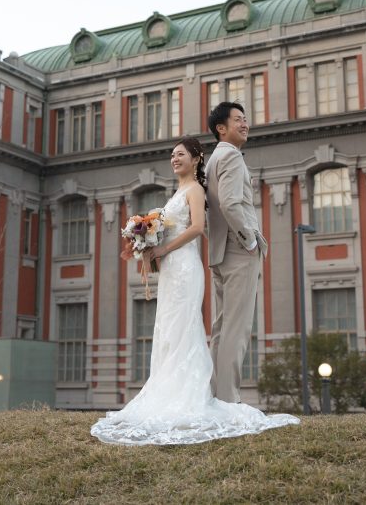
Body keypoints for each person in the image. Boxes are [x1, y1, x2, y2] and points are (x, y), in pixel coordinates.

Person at [90, 137, 298, 445]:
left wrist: (161, 248)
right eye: (172, 155)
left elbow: (198, 228)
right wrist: (146, 242)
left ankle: (191, 394)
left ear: (197, 158)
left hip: (186, 268)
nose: (174, 159)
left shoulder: (196, 190)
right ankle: (167, 390)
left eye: (180, 154)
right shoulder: (177, 191)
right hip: (172, 270)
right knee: (167, 330)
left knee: (184, 328)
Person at [205, 102, 268, 403]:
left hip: (220, 251)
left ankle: (216, 396)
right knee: (237, 329)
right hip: (238, 249)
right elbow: (230, 204)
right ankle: (229, 401)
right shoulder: (230, 156)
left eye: (246, 119)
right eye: (238, 119)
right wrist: (251, 241)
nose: (245, 124)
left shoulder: (214, 158)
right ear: (222, 128)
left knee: (221, 328)